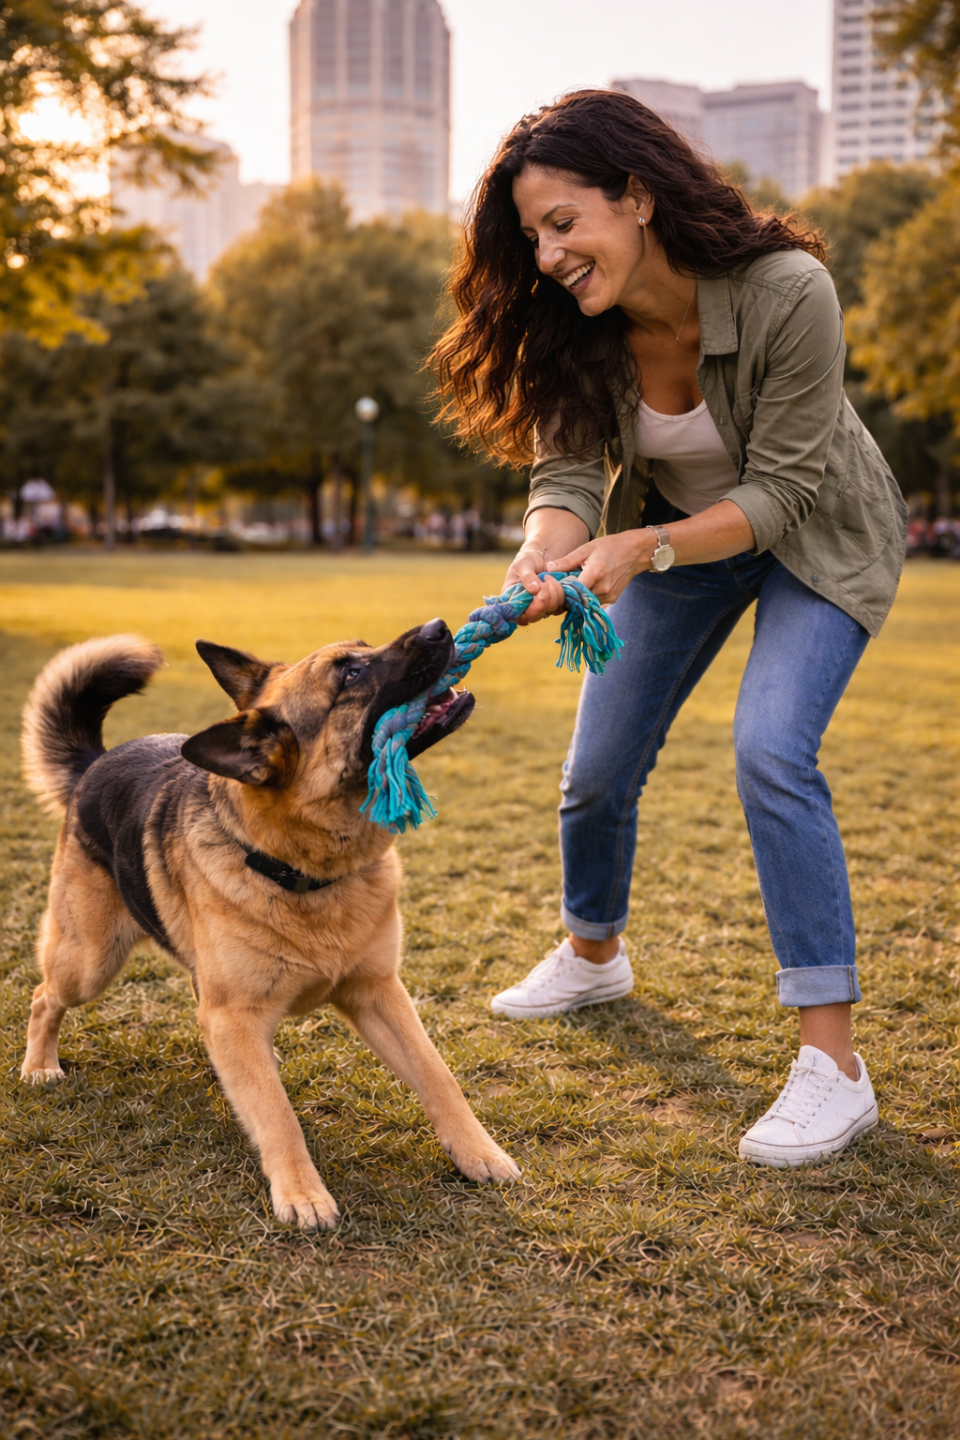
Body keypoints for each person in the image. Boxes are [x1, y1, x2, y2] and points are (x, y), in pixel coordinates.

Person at [430, 90, 907, 1168]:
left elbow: (783, 493)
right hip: (673, 545)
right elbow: (564, 473)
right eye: (531, 237)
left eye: (564, 223)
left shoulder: (789, 291)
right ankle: (593, 954)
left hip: (814, 537)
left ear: (636, 196)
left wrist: (637, 551)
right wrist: (547, 545)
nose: (548, 257)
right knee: (596, 767)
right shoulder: (579, 329)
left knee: (771, 750)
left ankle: (834, 1068)